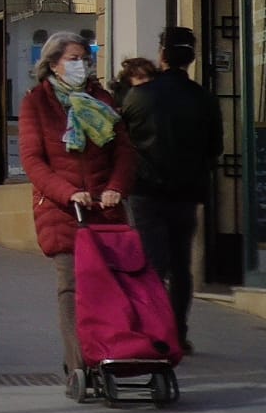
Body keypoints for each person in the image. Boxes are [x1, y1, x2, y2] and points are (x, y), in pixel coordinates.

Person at [18, 31, 133, 386]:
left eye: (85, 57)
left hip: (104, 209)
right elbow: (33, 161)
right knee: (71, 286)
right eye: (73, 58)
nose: (81, 64)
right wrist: (68, 193)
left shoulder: (103, 100)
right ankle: (79, 363)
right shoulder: (36, 103)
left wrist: (115, 187)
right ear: (53, 63)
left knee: (111, 286)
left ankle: (110, 352)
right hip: (63, 212)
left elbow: (125, 151)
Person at [120, 26, 222, 355]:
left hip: (147, 191)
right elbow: (215, 147)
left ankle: (153, 330)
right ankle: (178, 331)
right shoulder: (204, 98)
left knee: (152, 265)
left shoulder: (139, 96)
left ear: (162, 55)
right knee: (181, 265)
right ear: (191, 58)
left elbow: (122, 141)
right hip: (187, 192)